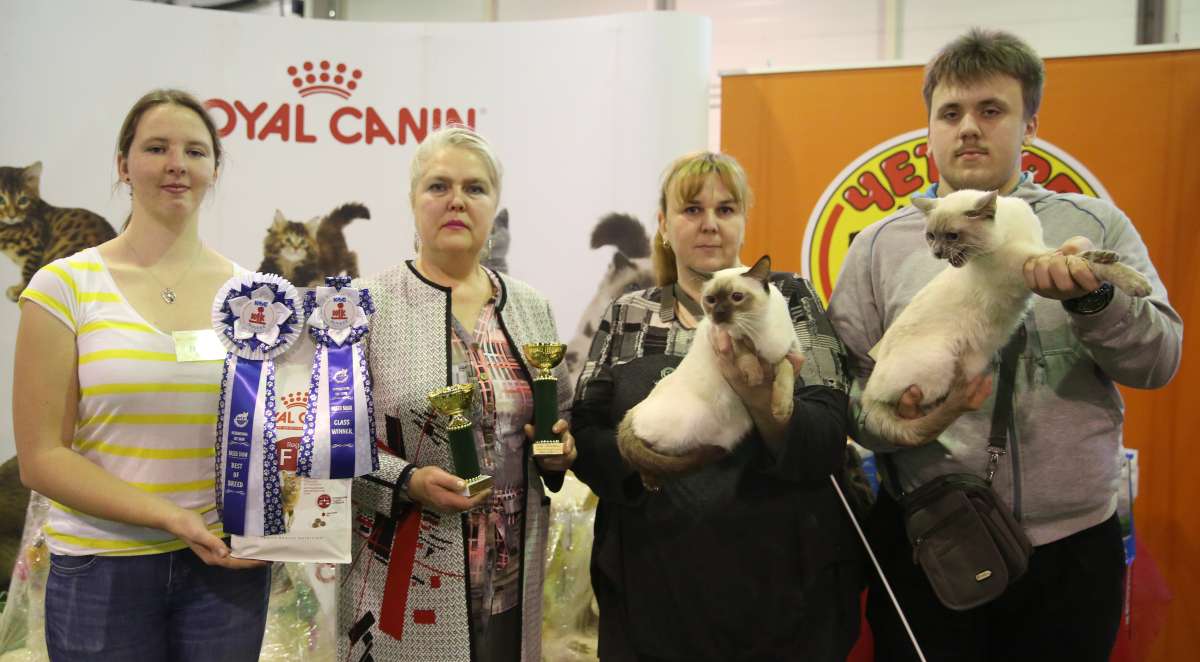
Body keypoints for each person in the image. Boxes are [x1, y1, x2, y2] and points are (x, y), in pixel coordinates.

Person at [828, 28, 1183, 662]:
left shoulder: (1094, 225)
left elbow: (1159, 361)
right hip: (932, 537)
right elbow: (844, 397)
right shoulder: (878, 245)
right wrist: (901, 425)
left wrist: (1094, 302)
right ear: (928, 131)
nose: (969, 128)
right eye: (951, 113)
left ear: (1031, 125)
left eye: (991, 110)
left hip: (1074, 548)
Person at [570, 151, 864, 662]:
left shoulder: (790, 297)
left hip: (781, 594)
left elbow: (825, 437)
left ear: (744, 220)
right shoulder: (629, 313)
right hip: (655, 594)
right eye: (692, 210)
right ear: (664, 225)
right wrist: (643, 463)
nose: (710, 224)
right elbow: (587, 432)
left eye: (726, 209)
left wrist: (761, 401)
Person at [13, 89, 270, 661]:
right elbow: (42, 458)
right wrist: (174, 519)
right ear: (123, 165)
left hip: (225, 567)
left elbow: (277, 434)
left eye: (195, 151)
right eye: (157, 148)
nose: (177, 163)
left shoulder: (254, 297)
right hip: (102, 569)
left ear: (214, 169)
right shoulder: (63, 286)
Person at [339, 125, 576, 662]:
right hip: (403, 587)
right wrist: (407, 480)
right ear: (412, 201)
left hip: (511, 581)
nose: (456, 201)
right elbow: (331, 442)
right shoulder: (364, 305)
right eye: (438, 186)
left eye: (475, 188)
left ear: (494, 205)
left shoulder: (531, 306)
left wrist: (561, 447)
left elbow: (560, 414)